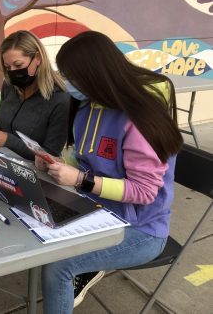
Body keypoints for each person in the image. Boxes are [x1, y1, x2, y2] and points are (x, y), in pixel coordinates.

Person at [36, 31, 183, 313]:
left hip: (141, 230)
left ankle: (83, 271)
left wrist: (80, 180)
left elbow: (144, 192)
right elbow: (83, 161)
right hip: (97, 212)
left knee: (59, 267)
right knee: (35, 220)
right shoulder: (87, 109)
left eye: (71, 76)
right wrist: (58, 164)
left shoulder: (139, 120)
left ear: (95, 75)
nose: (66, 83)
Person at [0, 30, 70, 160]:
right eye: (7, 67)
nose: (12, 72)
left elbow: (51, 156)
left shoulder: (60, 100)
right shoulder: (9, 86)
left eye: (18, 65)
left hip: (34, 172)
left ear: (38, 58)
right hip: (2, 160)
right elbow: (2, 124)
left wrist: (9, 141)